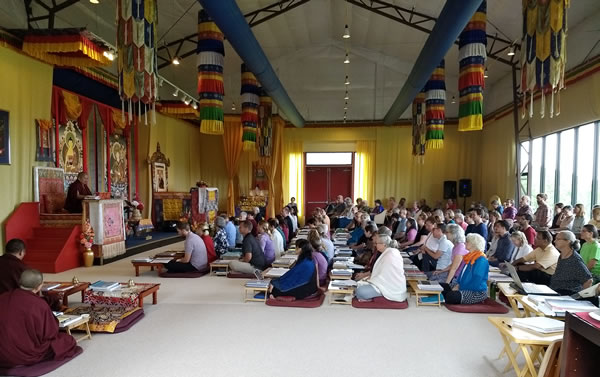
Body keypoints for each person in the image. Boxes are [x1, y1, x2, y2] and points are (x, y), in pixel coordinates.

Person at [0, 269, 81, 368]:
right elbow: (51, 333)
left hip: (2, 352)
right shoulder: (39, 304)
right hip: (24, 354)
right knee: (67, 341)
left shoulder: (3, 297)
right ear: (39, 286)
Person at [355, 234, 407, 302]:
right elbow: (381, 273)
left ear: (384, 244)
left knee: (360, 291)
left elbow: (386, 275)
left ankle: (380, 296)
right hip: (385, 283)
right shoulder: (388, 252)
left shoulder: (390, 255)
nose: (375, 245)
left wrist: (370, 279)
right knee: (359, 285)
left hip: (390, 287)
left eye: (377, 243)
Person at [439, 233, 489, 305]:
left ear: (473, 244)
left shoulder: (481, 260)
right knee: (441, 286)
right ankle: (444, 296)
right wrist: (458, 285)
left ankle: (445, 297)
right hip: (463, 286)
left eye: (467, 242)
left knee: (451, 296)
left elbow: (476, 281)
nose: (464, 243)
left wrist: (460, 288)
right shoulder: (469, 257)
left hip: (476, 291)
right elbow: (461, 275)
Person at [550, 231, 593, 295]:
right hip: (556, 290)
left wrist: (580, 296)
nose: (554, 241)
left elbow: (588, 280)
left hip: (568, 293)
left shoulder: (575, 259)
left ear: (568, 241)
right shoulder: (562, 255)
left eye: (558, 239)